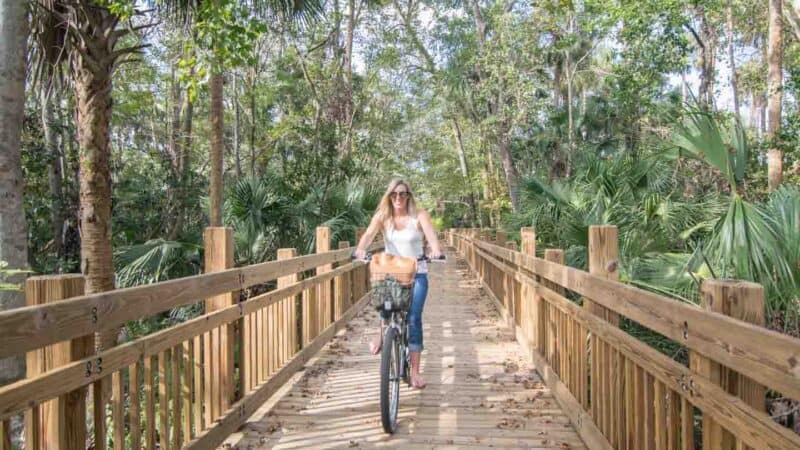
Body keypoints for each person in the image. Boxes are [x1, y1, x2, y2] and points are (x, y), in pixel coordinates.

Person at [353, 178, 443, 389]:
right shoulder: (383, 217)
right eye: (394, 194)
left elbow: (431, 237)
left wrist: (435, 250)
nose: (398, 198)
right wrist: (360, 250)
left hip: (417, 273)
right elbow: (368, 235)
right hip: (391, 273)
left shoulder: (419, 216)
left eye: (402, 194)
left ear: (408, 196)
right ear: (389, 196)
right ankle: (382, 334)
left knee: (413, 318)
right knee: (385, 306)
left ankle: (415, 372)